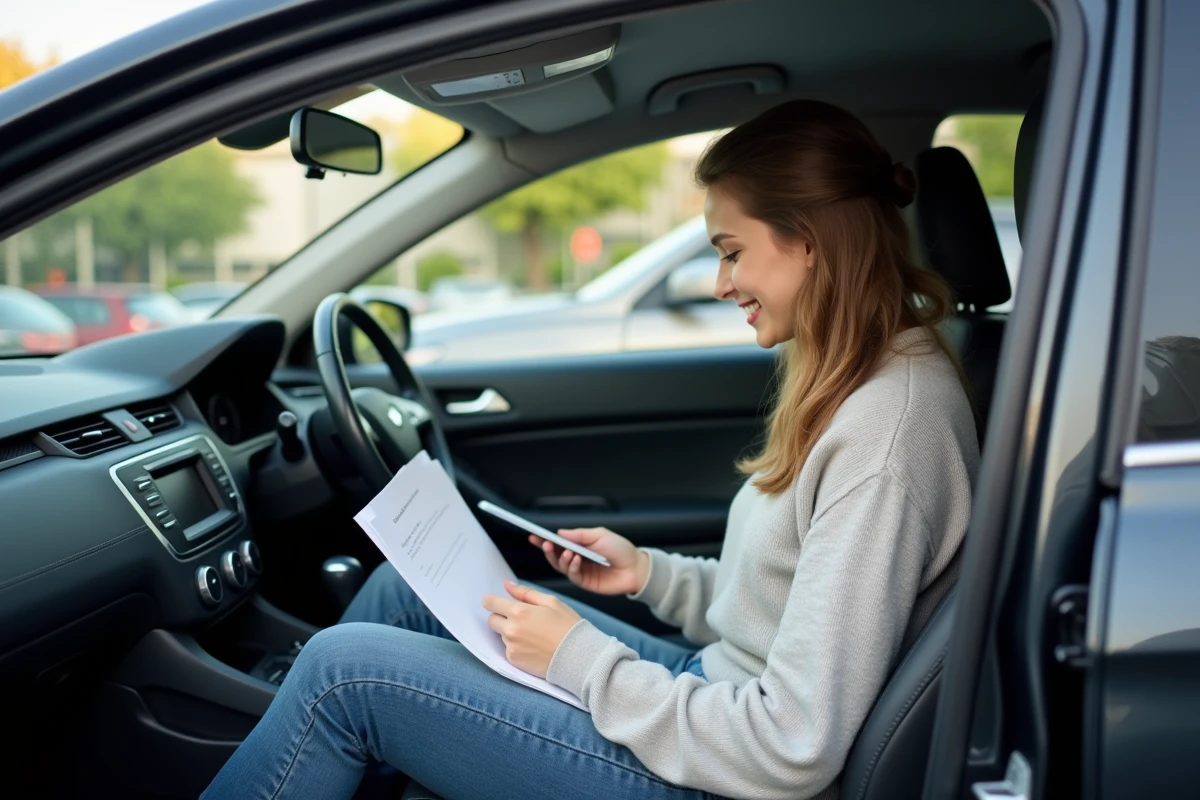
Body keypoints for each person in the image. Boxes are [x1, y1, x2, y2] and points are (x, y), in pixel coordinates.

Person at [202, 99, 979, 800]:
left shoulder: (889, 429)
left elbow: (791, 747)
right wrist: (649, 575)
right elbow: (786, 610)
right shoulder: (859, 376)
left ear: (807, 243)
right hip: (714, 700)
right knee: (403, 598)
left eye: (732, 251)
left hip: (732, 775)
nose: (719, 282)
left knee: (343, 678)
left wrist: (579, 658)